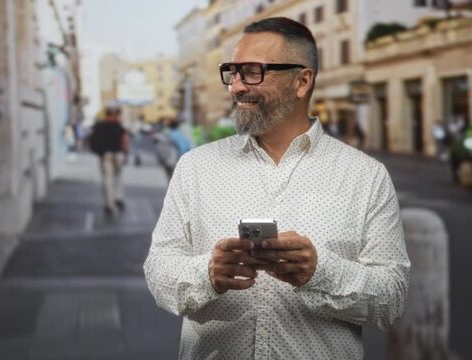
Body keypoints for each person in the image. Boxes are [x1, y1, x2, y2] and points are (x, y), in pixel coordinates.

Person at [144, 17, 409, 359]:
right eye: (233, 72)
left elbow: (391, 299)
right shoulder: (195, 167)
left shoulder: (366, 176)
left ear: (302, 81)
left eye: (252, 71)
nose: (237, 87)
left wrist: (320, 272)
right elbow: (158, 269)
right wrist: (207, 273)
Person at [89, 105, 129, 215]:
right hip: (118, 154)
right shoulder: (118, 125)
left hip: (105, 155)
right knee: (118, 177)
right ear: (114, 114)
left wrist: (98, 151)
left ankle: (108, 204)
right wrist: (125, 153)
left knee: (107, 179)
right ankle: (118, 197)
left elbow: (92, 139)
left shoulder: (99, 125)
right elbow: (124, 139)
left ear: (106, 114)